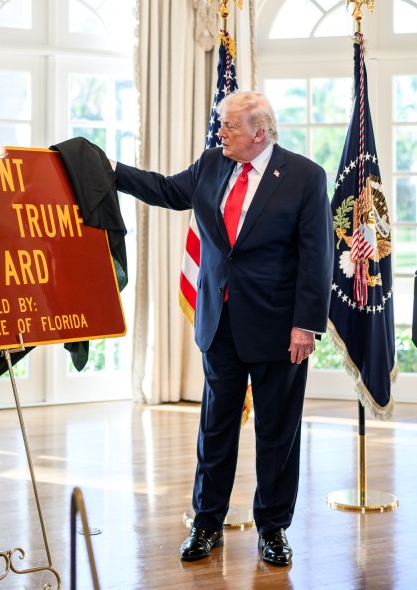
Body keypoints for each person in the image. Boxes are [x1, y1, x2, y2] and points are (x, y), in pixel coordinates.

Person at [114, 91, 332, 567]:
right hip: (220, 322)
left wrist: (306, 326)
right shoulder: (213, 164)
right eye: (220, 125)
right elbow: (167, 190)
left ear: (260, 132)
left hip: (279, 329)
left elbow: (318, 258)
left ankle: (273, 529)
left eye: (228, 127)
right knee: (215, 429)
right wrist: (109, 171)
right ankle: (207, 523)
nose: (220, 133)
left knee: (277, 433)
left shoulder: (304, 177)